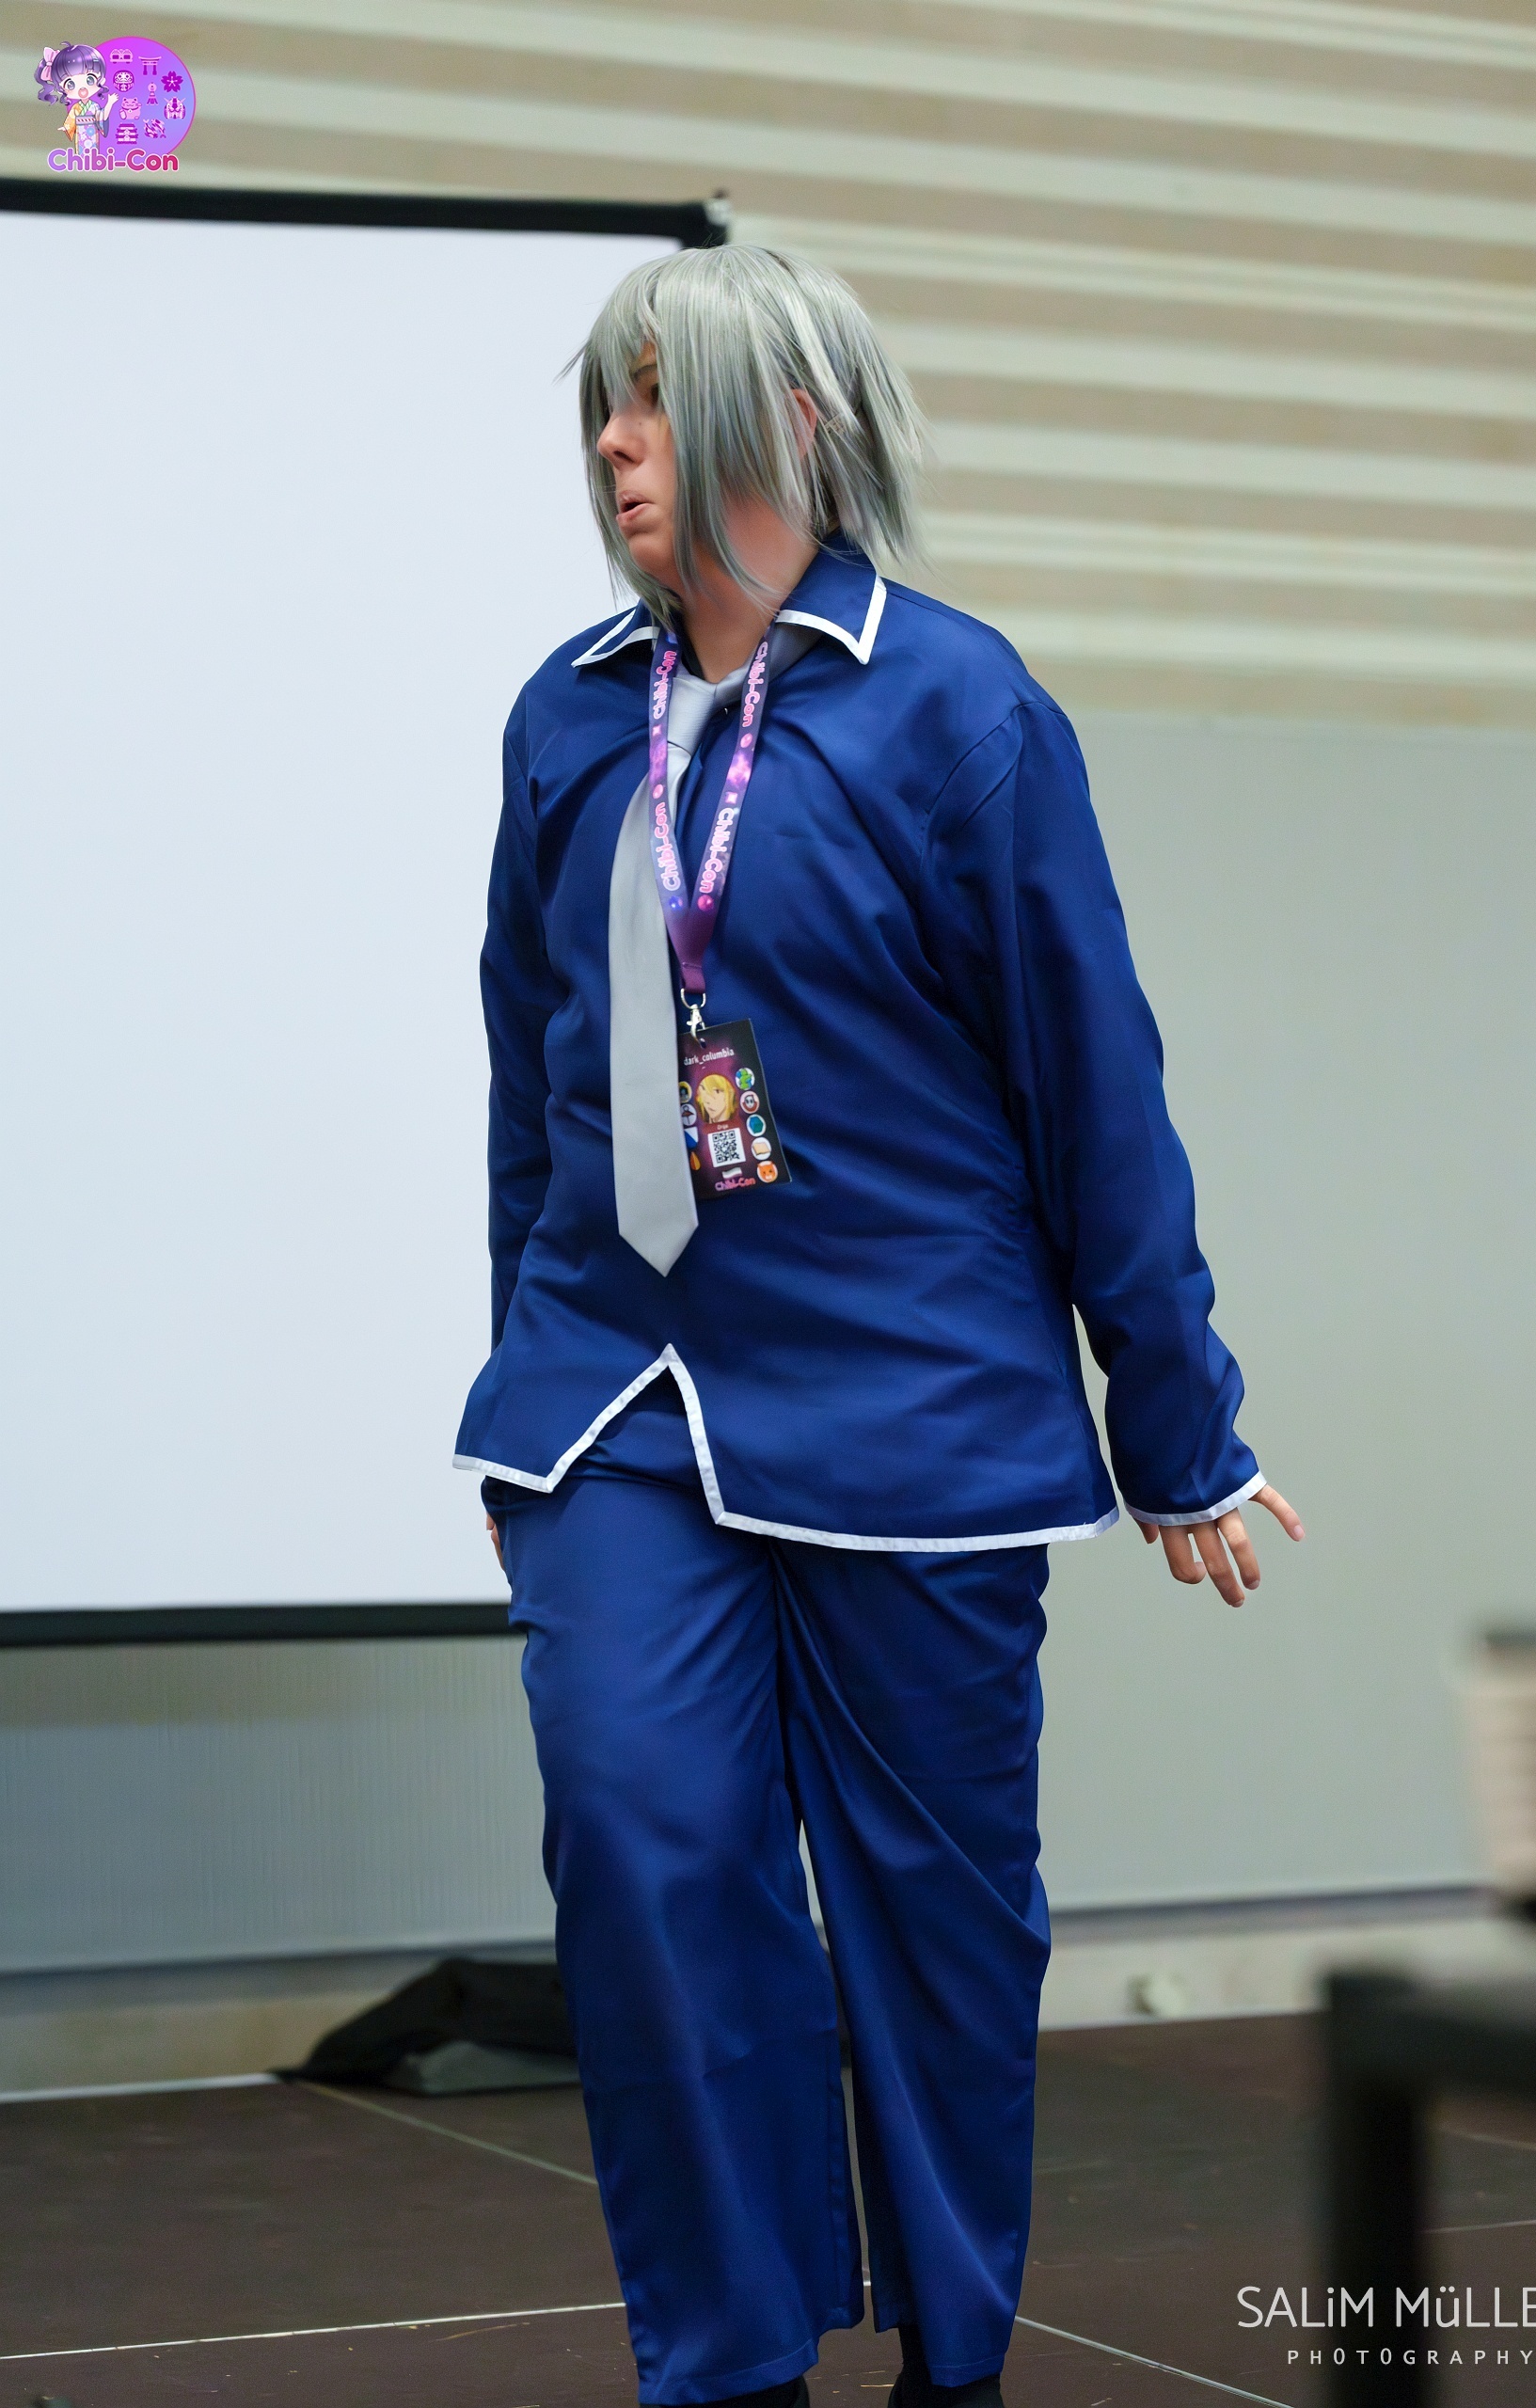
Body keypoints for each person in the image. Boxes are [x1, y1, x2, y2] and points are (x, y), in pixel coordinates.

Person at [456, 245, 1302, 2408]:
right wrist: (524, 1383)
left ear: (796, 424)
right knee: (646, 1851)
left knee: (937, 1919)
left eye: (657, 397)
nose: (613, 443)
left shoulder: (955, 710)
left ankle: (952, 2362)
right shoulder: (565, 714)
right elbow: (530, 1080)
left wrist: (1177, 1423)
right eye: (603, 402)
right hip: (620, 1400)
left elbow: (1090, 1090)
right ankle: (728, 2363)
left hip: (912, 1407)